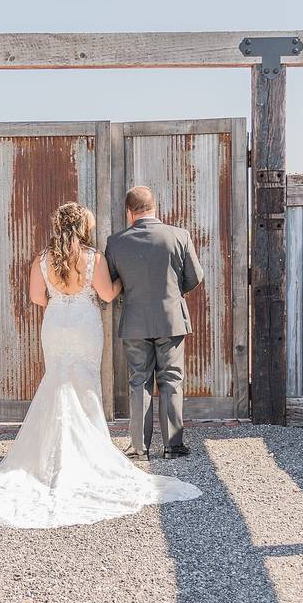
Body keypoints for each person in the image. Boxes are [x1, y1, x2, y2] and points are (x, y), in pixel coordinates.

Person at [0, 202, 200, 528]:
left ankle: (48, 450)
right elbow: (107, 295)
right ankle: (88, 449)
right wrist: (123, 284)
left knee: (58, 380)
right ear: (84, 227)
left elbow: (37, 298)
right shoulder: (93, 258)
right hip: (84, 323)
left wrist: (60, 298)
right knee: (84, 383)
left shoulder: (42, 259)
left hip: (56, 323)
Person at [105, 186, 204, 461]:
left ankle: (139, 447)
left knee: (139, 382)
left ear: (129, 212)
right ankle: (173, 446)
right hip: (171, 319)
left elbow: (114, 281)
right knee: (171, 380)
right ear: (154, 207)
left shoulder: (115, 242)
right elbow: (195, 276)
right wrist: (173, 293)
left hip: (135, 321)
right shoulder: (178, 236)